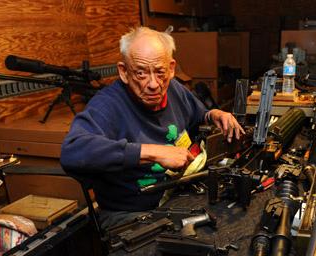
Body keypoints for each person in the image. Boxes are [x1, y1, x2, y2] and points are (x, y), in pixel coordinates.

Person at [60, 27, 244, 228]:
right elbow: (72, 151)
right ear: (123, 72)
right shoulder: (107, 105)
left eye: (160, 72)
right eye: (140, 73)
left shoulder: (174, 89)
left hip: (178, 194)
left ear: (171, 68)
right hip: (131, 213)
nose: (154, 84)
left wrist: (214, 114)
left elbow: (197, 114)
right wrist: (152, 152)